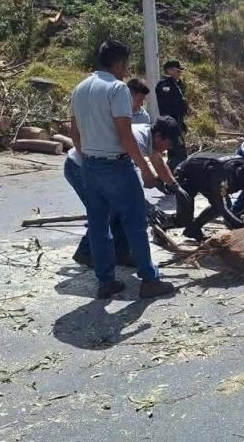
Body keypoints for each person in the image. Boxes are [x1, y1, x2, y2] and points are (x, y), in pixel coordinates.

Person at [70, 40, 180, 300]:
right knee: (135, 221)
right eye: (126, 65)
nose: (126, 71)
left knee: (99, 224)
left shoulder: (80, 88)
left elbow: (74, 132)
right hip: (115, 164)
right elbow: (124, 134)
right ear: (119, 63)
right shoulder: (117, 88)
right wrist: (144, 169)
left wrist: (89, 160)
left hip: (90, 165)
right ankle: (149, 279)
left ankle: (105, 281)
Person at [65, 120, 179, 267]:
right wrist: (143, 203)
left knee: (121, 209)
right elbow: (124, 178)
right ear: (158, 136)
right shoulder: (136, 140)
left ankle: (121, 254)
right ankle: (85, 253)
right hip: (80, 168)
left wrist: (175, 187)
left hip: (102, 169)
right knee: (106, 212)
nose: (167, 149)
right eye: (168, 144)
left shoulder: (148, 137)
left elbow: (158, 163)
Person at [174, 152, 244, 240]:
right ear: (240, 181)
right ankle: (163, 223)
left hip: (205, 173)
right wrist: (243, 227)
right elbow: (222, 207)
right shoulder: (220, 176)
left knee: (224, 205)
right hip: (187, 173)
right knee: (184, 218)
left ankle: (193, 229)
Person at [155, 60, 188, 171]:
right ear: (169, 70)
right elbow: (168, 107)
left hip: (177, 122)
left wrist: (181, 123)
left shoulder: (175, 84)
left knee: (179, 152)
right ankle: (172, 176)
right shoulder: (164, 85)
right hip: (170, 123)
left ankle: (172, 175)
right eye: (177, 71)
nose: (179, 73)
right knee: (178, 153)